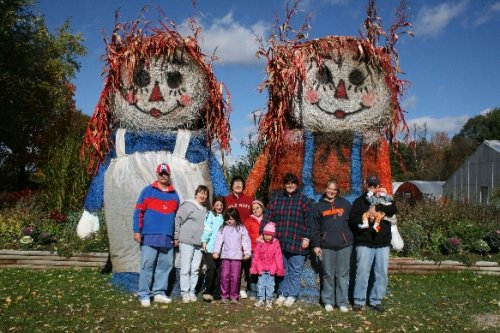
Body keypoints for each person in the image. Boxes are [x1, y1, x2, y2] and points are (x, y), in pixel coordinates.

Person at [260, 172, 313, 307]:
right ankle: (282, 293)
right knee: (282, 268)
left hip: (297, 241)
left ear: (297, 184)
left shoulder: (304, 200)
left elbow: (310, 221)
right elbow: (267, 216)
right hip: (280, 241)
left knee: (295, 270)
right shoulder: (277, 199)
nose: (290, 185)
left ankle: (292, 295)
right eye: (288, 183)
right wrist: (262, 233)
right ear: (284, 185)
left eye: (293, 183)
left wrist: (307, 237)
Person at [133, 163, 180, 307]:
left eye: (166, 173)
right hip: (149, 235)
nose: (163, 175)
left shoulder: (174, 194)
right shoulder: (147, 191)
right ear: (157, 174)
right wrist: (136, 230)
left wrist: (176, 235)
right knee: (147, 265)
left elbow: (178, 218)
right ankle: (144, 295)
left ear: (169, 175)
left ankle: (159, 293)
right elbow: (138, 212)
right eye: (161, 173)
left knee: (164, 266)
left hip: (167, 237)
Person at [349, 174, 397, 313]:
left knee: (381, 273)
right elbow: (352, 220)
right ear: (366, 185)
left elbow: (394, 209)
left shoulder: (386, 199)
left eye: (375, 185)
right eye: (370, 184)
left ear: (378, 185)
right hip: (364, 242)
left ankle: (376, 301)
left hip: (382, 243)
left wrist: (376, 208)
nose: (373, 187)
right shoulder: (360, 201)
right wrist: (367, 217)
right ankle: (359, 301)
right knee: (362, 272)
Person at [310, 179, 353, 313]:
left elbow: (353, 222)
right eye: (329, 188)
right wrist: (316, 245)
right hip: (326, 245)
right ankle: (328, 300)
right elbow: (315, 228)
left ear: (337, 191)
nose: (331, 191)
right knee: (328, 274)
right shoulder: (318, 206)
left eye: (334, 189)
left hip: (344, 245)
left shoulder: (345, 204)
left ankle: (341, 302)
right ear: (325, 189)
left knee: (342, 274)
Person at [174, 185, 209, 303]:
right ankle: (184, 293)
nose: (203, 195)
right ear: (196, 194)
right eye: (201, 193)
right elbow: (178, 219)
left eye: (205, 194)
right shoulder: (188, 205)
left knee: (195, 269)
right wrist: (176, 236)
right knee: (185, 268)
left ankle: (192, 292)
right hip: (187, 241)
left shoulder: (205, 210)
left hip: (198, 244)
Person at [212, 208, 252, 303]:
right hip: (225, 256)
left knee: (235, 277)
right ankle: (224, 296)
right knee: (224, 276)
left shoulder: (241, 228)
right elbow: (218, 241)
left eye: (232, 218)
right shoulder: (223, 228)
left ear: (236, 218)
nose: (230, 221)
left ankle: (234, 296)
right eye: (228, 219)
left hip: (237, 257)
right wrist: (216, 252)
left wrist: (247, 252)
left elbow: (246, 241)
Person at [224, 175, 254, 299]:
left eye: (240, 183)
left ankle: (242, 287)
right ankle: (230, 287)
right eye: (235, 183)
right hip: (229, 237)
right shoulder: (226, 200)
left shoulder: (249, 199)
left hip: (245, 236)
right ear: (231, 186)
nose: (238, 185)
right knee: (230, 262)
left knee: (244, 262)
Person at [250, 222, 285, 308]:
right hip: (261, 268)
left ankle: (269, 299)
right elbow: (256, 256)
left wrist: (279, 269)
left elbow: (278, 257)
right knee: (260, 284)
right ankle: (261, 299)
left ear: (273, 235)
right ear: (263, 234)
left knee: (270, 285)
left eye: (269, 235)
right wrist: (255, 267)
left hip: (271, 269)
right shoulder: (260, 243)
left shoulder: (276, 244)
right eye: (266, 235)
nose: (267, 237)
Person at [200, 195, 225, 302]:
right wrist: (204, 241)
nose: (219, 207)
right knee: (212, 268)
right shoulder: (210, 215)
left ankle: (216, 293)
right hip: (209, 247)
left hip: (221, 249)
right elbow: (207, 228)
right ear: (214, 206)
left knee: (219, 271)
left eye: (221, 205)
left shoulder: (224, 217)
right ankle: (207, 291)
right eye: (217, 205)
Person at [242, 200, 265, 299]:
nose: (256, 210)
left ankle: (263, 291)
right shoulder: (249, 221)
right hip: (253, 250)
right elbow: (244, 235)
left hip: (265, 251)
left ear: (262, 208)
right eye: (253, 209)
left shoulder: (267, 220)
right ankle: (253, 291)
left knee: (264, 272)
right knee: (253, 272)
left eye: (258, 208)